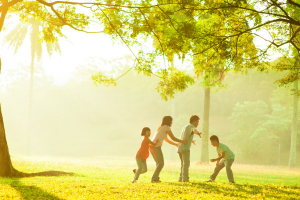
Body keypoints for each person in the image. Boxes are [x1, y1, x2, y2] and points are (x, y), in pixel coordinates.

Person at [150, 116, 187, 183]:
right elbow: (173, 137)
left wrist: (175, 144)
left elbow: (167, 139)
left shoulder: (160, 128)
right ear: (169, 121)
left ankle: (156, 179)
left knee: (158, 163)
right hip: (156, 147)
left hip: (151, 146)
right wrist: (182, 141)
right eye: (171, 121)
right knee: (161, 164)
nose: (172, 122)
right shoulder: (167, 127)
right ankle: (153, 179)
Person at [177, 114, 202, 182]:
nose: (198, 123)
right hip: (185, 148)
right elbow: (193, 130)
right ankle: (185, 179)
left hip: (180, 148)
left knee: (183, 164)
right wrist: (198, 133)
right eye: (197, 122)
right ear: (194, 121)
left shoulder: (185, 126)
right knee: (186, 163)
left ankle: (180, 178)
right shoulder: (191, 126)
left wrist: (191, 141)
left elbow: (185, 136)